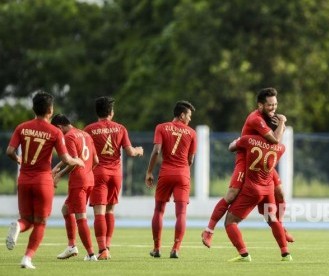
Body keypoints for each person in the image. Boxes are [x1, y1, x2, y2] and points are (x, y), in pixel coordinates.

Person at [201, 87, 293, 248]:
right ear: (260, 106)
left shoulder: (270, 117)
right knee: (231, 195)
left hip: (263, 161)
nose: (273, 108)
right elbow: (275, 140)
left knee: (281, 193)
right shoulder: (255, 118)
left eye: (275, 104)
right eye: (270, 105)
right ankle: (209, 230)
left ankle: (281, 226)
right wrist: (283, 122)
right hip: (245, 160)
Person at [5, 91, 85, 269]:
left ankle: (18, 225)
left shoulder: (22, 127)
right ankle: (27, 258)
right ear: (50, 110)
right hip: (43, 181)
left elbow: (10, 151)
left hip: (24, 180)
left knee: (26, 219)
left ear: (34, 108)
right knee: (40, 222)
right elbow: (66, 159)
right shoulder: (55, 132)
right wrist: (77, 160)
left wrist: (18, 160)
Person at [84, 96, 144, 260]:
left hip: (99, 174)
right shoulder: (120, 128)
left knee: (99, 213)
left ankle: (103, 249)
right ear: (111, 112)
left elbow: (85, 154)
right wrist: (139, 150)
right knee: (110, 210)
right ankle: (107, 247)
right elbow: (130, 152)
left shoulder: (89, 130)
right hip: (115, 174)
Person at [225, 135, 292, 262]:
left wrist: (237, 139)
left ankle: (244, 254)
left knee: (230, 221)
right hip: (268, 189)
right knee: (272, 219)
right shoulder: (281, 147)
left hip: (252, 189)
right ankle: (286, 253)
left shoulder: (249, 140)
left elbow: (232, 148)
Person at [145, 100, 197, 259]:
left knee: (159, 210)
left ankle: (156, 248)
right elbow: (191, 160)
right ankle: (176, 248)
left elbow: (156, 151)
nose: (190, 119)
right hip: (183, 174)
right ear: (182, 115)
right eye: (189, 116)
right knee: (181, 213)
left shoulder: (161, 127)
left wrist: (149, 172)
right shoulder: (192, 133)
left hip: (165, 173)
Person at [51, 114, 99, 262]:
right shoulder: (85, 134)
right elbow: (96, 160)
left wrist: (60, 175)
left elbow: (72, 161)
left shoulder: (69, 137)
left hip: (79, 182)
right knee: (66, 209)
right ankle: (72, 245)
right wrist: (87, 173)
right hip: (89, 179)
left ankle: (91, 255)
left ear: (59, 127)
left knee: (80, 217)